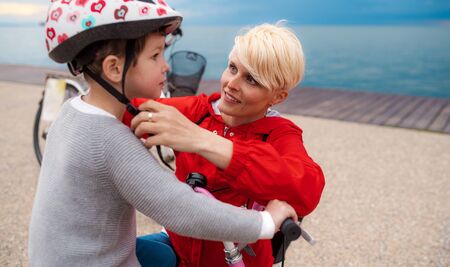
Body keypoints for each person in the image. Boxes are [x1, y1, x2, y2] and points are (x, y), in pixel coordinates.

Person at [28, 2, 298, 267]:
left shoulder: (72, 111)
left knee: (165, 257)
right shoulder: (112, 141)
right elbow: (181, 209)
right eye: (156, 55)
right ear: (113, 68)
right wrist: (264, 222)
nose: (166, 66)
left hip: (59, 256)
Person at [125, 22, 325, 267]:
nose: (232, 83)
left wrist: (205, 141)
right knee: (112, 253)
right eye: (232, 68)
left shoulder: (279, 133)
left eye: (251, 79)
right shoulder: (197, 111)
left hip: (237, 260)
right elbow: (124, 109)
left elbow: (307, 189)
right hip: (179, 247)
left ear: (278, 96)